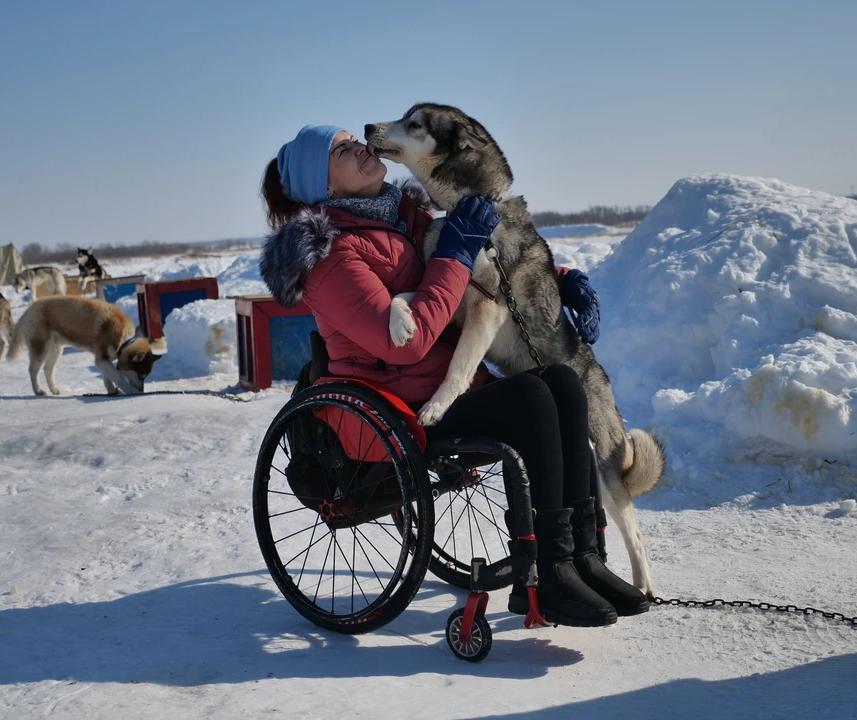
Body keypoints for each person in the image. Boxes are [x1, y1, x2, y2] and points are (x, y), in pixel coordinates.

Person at [259, 124, 646, 626]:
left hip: (441, 390)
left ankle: (583, 556)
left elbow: (487, 270)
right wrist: (453, 254)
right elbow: (409, 342)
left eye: (353, 138)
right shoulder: (329, 256)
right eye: (340, 150)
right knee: (530, 399)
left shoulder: (406, 218)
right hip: (394, 410)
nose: (359, 145)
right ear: (324, 186)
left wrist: (560, 281)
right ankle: (548, 574)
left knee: (563, 384)